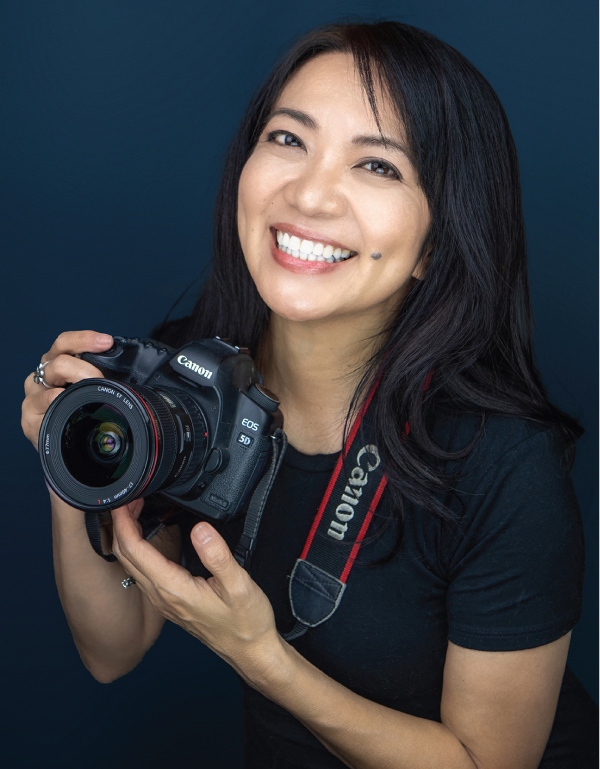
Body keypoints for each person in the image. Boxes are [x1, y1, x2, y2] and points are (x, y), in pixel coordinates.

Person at [21, 21, 596, 769]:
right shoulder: (191, 378)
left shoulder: (503, 462)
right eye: (289, 139)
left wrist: (264, 660)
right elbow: (113, 646)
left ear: (436, 242)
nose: (310, 193)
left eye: (377, 165)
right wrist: (75, 454)